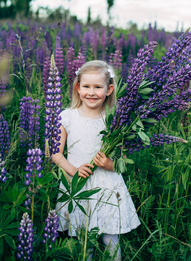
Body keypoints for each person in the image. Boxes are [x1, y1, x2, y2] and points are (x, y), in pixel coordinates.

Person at [52, 60, 140, 260]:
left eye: (98, 87)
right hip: (77, 185)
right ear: (78, 87)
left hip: (108, 186)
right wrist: (73, 170)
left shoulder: (115, 119)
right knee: (83, 238)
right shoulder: (66, 117)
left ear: (109, 89)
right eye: (86, 86)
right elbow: (55, 153)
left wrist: (108, 164)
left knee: (111, 238)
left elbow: (123, 160)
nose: (91, 92)